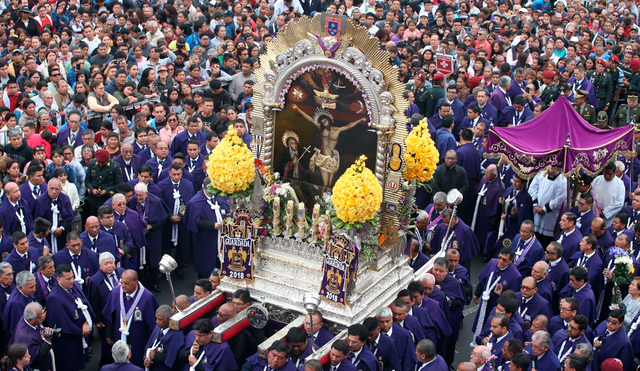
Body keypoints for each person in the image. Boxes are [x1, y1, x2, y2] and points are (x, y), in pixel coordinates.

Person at [102, 269, 159, 368]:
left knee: (136, 364)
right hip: (118, 336)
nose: (123, 286)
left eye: (126, 283)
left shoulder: (147, 297)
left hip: (138, 340)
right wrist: (108, 334)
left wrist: (149, 348)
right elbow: (110, 316)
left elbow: (153, 325)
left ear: (136, 283)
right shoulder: (116, 292)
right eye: (122, 282)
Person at [45, 264, 94, 371]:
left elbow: (84, 303)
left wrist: (86, 321)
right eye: (68, 279)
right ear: (58, 279)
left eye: (72, 277)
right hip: (67, 342)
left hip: (78, 336)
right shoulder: (55, 298)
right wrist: (81, 331)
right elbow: (62, 323)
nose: (72, 280)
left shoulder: (73, 286)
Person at [87, 252, 124, 366]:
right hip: (105, 317)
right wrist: (97, 320)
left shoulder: (122, 273)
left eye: (111, 263)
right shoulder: (95, 280)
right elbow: (93, 302)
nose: (109, 266)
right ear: (100, 266)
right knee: (107, 343)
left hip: (122, 314)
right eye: (106, 263)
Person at [131, 182, 167, 291]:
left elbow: (163, 220)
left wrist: (152, 226)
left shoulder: (156, 202)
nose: (138, 198)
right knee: (141, 261)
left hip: (153, 236)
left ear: (146, 193)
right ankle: (143, 283)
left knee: (153, 260)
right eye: (136, 195)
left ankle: (154, 282)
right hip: (138, 236)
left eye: (140, 195)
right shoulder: (132, 201)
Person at [8, 302, 54, 371]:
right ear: (31, 320)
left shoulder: (26, 319)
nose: (42, 318)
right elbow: (36, 358)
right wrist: (47, 340)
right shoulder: (25, 337)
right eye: (40, 317)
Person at [33, 178, 74, 254]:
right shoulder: (40, 200)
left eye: (57, 189)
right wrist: (52, 229)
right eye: (51, 188)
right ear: (47, 187)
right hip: (47, 234)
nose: (54, 192)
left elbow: (70, 216)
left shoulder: (65, 199)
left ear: (61, 189)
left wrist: (61, 228)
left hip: (62, 234)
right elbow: (38, 218)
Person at [529, 168, 567, 246]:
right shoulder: (541, 174)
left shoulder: (562, 181)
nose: (548, 170)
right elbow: (532, 189)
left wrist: (545, 209)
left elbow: (559, 199)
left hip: (549, 215)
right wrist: (535, 204)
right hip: (536, 210)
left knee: (545, 240)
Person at [84, 149, 124, 222]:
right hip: (93, 200)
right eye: (99, 162)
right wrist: (92, 189)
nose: (100, 164)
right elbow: (87, 181)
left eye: (102, 162)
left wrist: (107, 191)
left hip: (107, 199)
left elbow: (119, 184)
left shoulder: (114, 166)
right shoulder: (92, 164)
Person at [143, 304, 185, 371]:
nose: (157, 322)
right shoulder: (158, 327)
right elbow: (149, 345)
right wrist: (146, 357)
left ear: (168, 319)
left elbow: (173, 358)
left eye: (160, 319)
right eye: (156, 318)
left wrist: (156, 356)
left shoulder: (177, 334)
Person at [470, 164, 503, 251]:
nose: (486, 175)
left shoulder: (499, 187)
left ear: (494, 175)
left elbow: (497, 204)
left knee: (485, 231)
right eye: (486, 172)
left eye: (488, 173)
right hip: (479, 209)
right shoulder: (484, 179)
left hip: (488, 213)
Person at [376, 306, 416, 371]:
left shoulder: (404, 335)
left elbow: (409, 358)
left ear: (392, 319)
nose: (385, 324)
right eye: (381, 322)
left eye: (387, 321)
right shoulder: (375, 334)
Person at [2, 271, 36, 338]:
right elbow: (19, 330)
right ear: (21, 288)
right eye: (31, 287)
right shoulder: (16, 304)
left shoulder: (24, 292)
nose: (34, 289)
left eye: (35, 285)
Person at [592, 162, 625, 227]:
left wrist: (605, 212)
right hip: (595, 212)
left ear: (614, 173)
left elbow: (619, 203)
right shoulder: (597, 179)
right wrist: (596, 208)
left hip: (608, 217)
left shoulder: (619, 184)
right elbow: (591, 194)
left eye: (610, 174)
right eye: (605, 173)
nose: (607, 176)